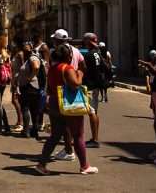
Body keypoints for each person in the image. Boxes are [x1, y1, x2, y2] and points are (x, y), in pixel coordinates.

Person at [35, 44, 98, 175]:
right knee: (78, 135)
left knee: (55, 136)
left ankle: (41, 164)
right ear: (67, 56)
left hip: (54, 104)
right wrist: (80, 73)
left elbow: (51, 88)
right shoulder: (67, 68)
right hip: (69, 105)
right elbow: (75, 84)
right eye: (70, 54)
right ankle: (84, 166)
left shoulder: (52, 69)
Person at [50, 29, 85, 161]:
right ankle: (70, 152)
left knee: (69, 128)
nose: (53, 42)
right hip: (73, 92)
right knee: (71, 127)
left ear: (58, 41)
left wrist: (77, 76)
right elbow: (83, 65)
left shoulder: (57, 54)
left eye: (55, 40)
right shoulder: (76, 50)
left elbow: (53, 71)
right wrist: (79, 73)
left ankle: (69, 151)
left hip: (62, 92)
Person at [82, 33, 107, 148]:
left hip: (90, 86)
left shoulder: (88, 55)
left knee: (91, 112)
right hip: (97, 85)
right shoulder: (97, 53)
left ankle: (95, 139)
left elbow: (84, 69)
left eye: (85, 40)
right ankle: (94, 137)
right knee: (95, 112)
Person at [19, 41, 44, 139]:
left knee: (26, 108)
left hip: (30, 86)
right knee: (34, 110)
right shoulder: (28, 57)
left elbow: (36, 67)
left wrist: (30, 77)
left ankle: (27, 131)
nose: (24, 47)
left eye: (26, 46)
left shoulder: (32, 57)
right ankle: (34, 130)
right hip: (31, 86)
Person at [9, 42, 25, 132]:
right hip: (14, 79)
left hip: (18, 80)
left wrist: (18, 80)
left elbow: (23, 67)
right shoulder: (15, 54)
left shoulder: (20, 54)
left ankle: (21, 122)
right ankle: (19, 121)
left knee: (16, 100)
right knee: (14, 100)